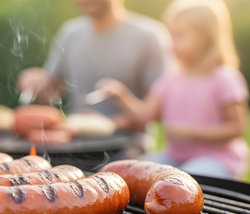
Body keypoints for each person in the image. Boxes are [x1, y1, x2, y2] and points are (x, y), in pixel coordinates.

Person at [98, 0, 249, 179]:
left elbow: (236, 128)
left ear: (205, 37)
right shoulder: (170, 79)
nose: (171, 44)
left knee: (185, 179)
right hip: (175, 158)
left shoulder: (225, 78)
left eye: (179, 36)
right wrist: (121, 95)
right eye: (171, 36)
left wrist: (189, 132)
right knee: (138, 170)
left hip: (217, 159)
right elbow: (144, 116)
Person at [17, 0, 171, 158]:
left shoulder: (149, 36)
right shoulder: (70, 33)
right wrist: (35, 83)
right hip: (73, 143)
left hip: (127, 147)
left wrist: (108, 123)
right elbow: (50, 94)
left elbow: (158, 111)